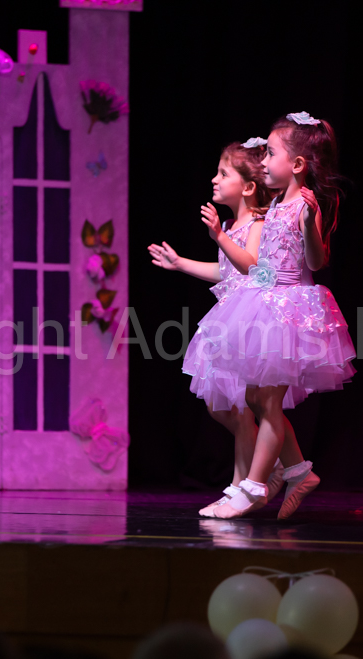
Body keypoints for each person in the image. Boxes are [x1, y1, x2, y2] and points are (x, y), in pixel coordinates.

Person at [181, 112, 356, 520]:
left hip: (291, 310)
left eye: (271, 154)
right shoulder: (274, 205)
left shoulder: (303, 207)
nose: (263, 161)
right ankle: (297, 472)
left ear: (296, 164)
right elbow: (261, 267)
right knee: (257, 398)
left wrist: (309, 224)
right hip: (266, 302)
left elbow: (316, 261)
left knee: (269, 401)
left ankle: (253, 487)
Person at [149, 140, 284, 516]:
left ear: (248, 187)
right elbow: (224, 271)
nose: (214, 179)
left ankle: (243, 486)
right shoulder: (230, 225)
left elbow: (251, 266)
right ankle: (264, 466)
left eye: (223, 173)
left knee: (241, 411)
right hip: (227, 321)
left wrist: (220, 238)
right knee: (218, 407)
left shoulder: (257, 223)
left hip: (249, 323)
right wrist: (180, 263)